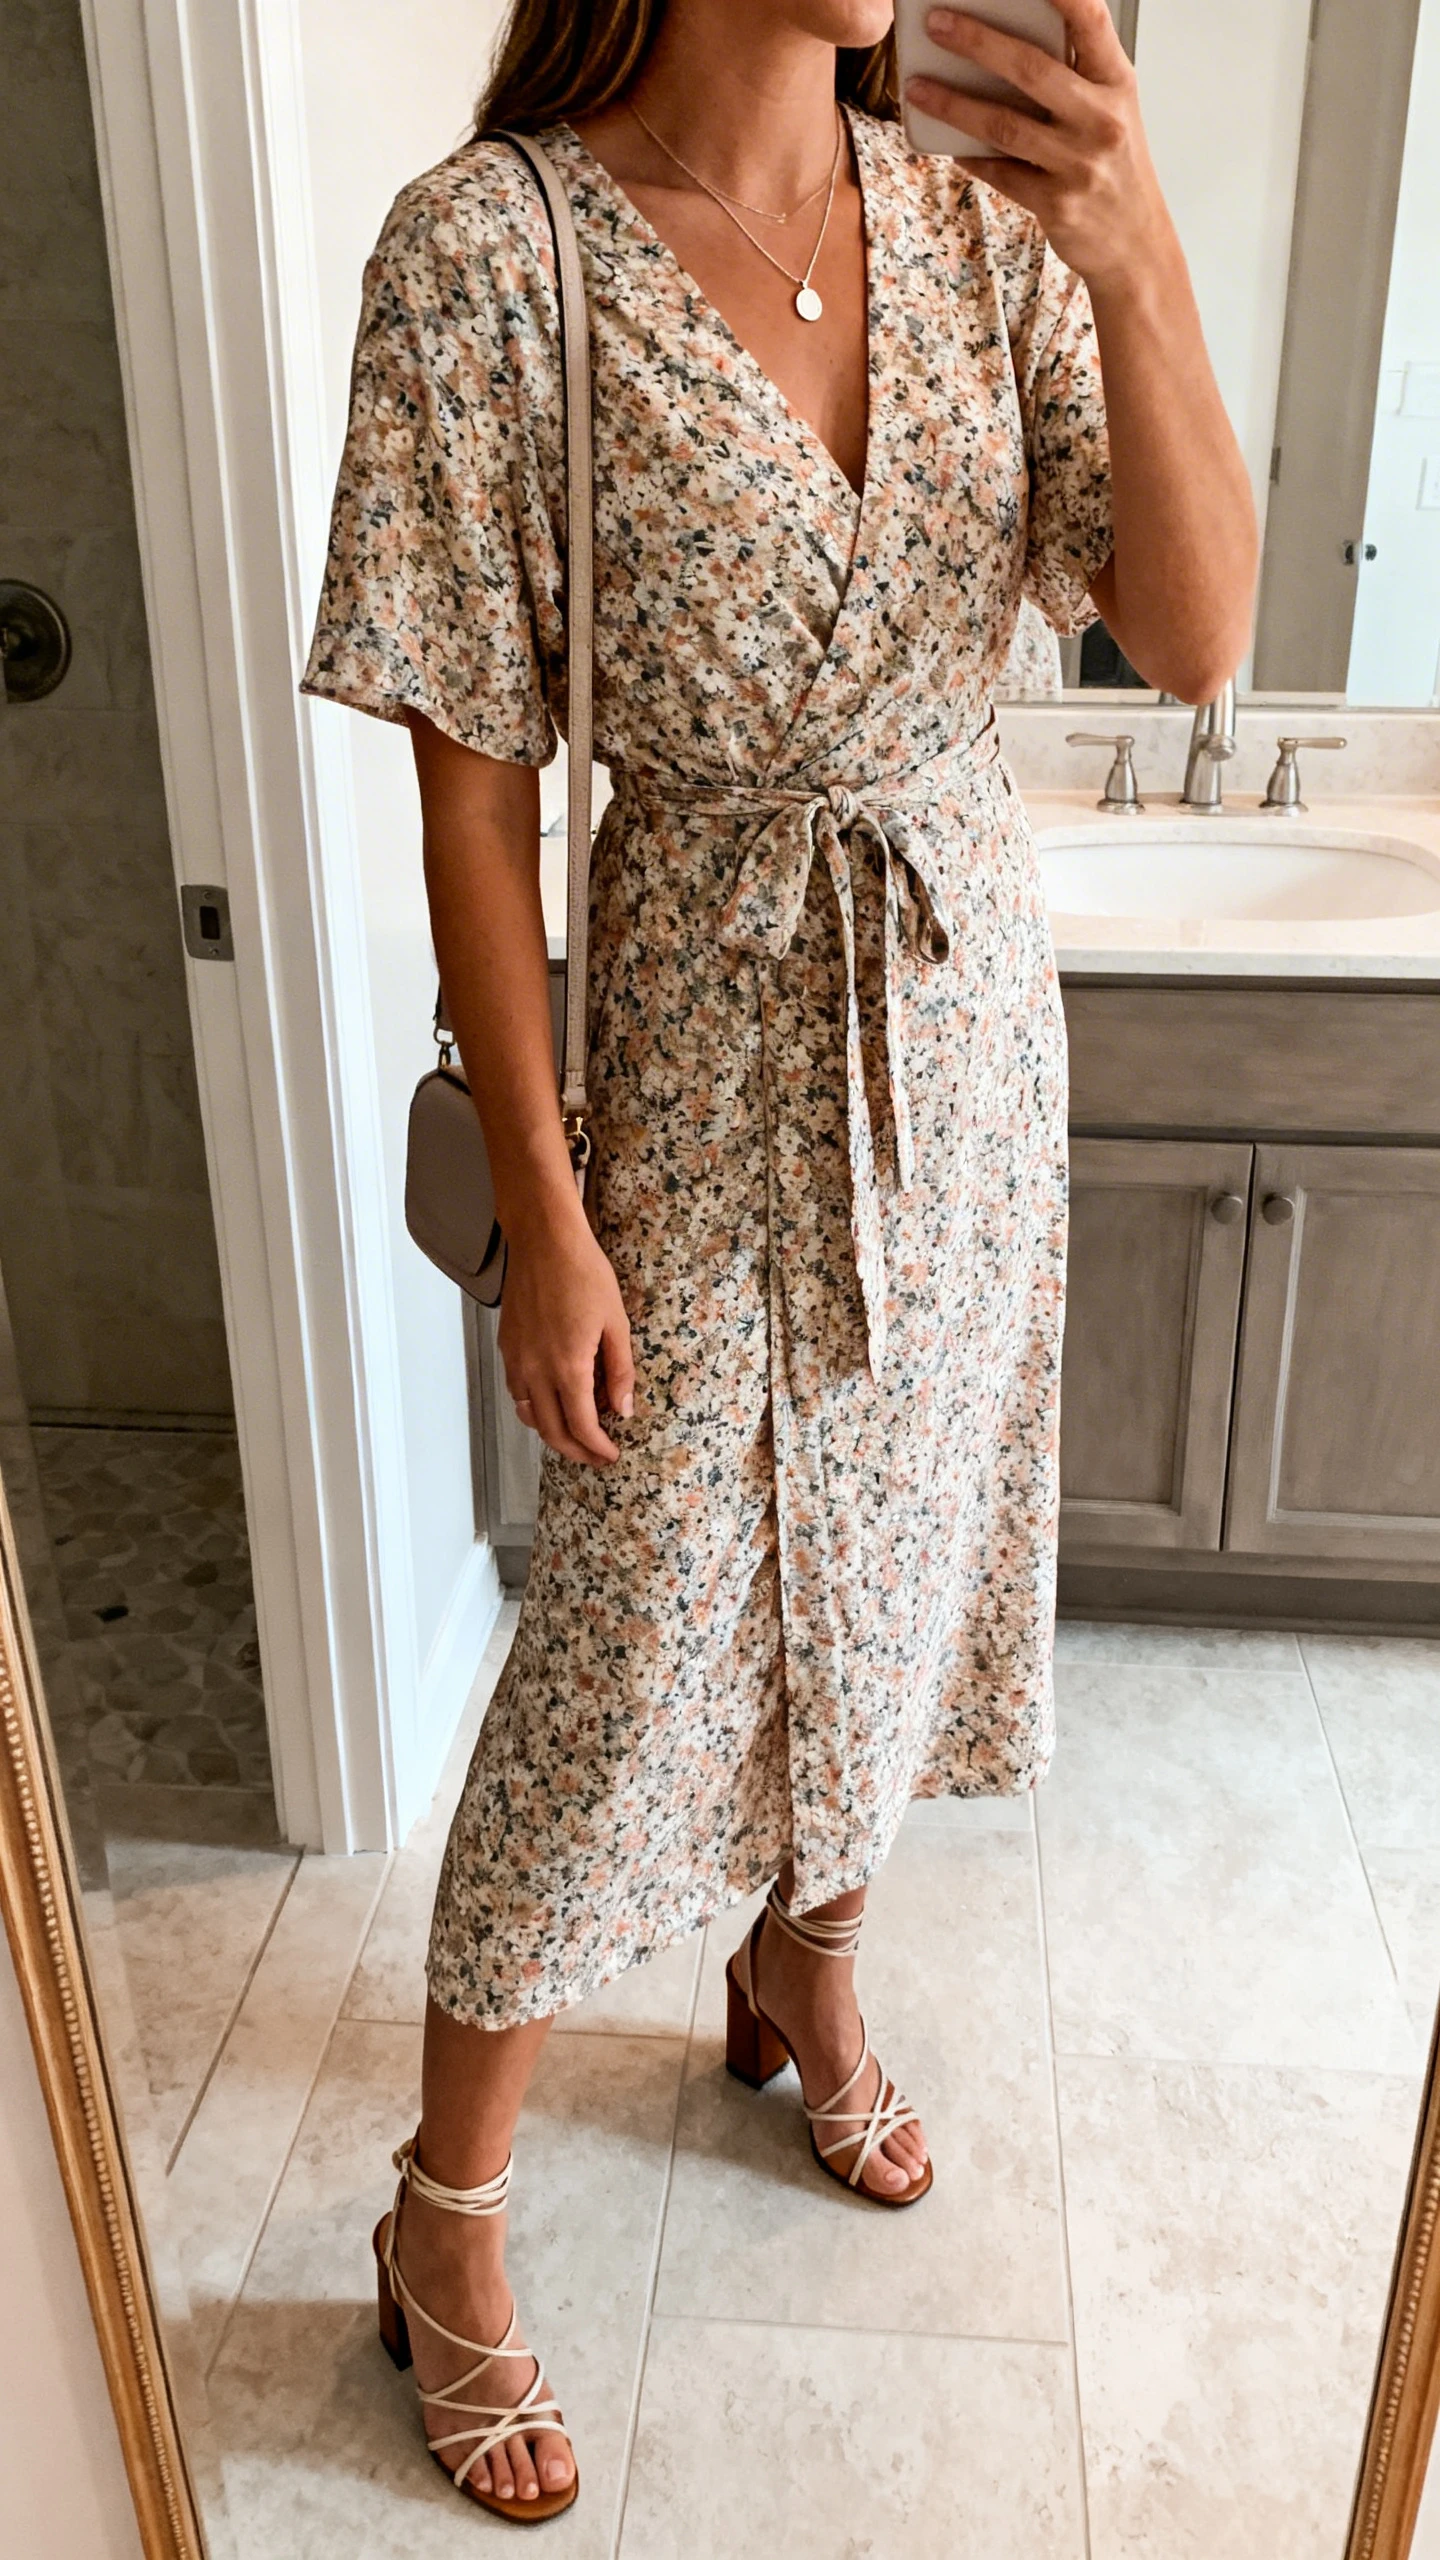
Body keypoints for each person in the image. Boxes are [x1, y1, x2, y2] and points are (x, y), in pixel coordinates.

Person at [303, 0, 1255, 2519]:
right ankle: (445, 2211)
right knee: (622, 1657)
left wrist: (1138, 255)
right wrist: (546, 1205)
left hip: (965, 1054)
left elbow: (1194, 637)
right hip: (705, 1077)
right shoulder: (487, 257)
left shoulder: (978, 219)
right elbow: (478, 823)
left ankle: (797, 1970)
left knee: (913, 1549)